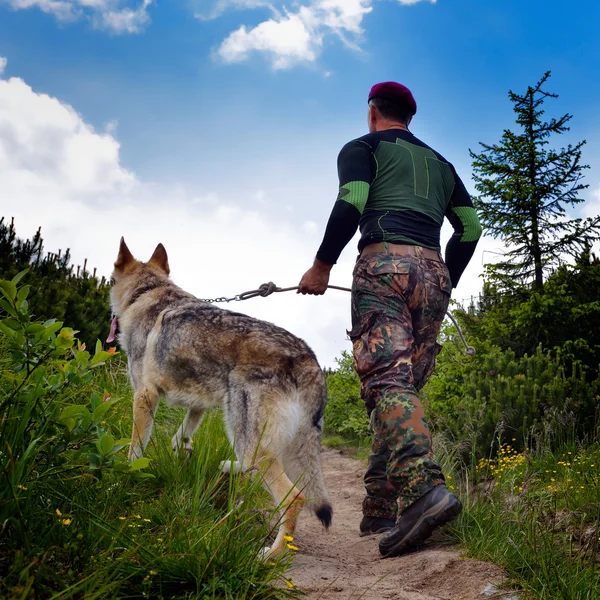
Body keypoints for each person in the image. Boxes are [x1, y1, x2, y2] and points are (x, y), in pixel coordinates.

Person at [298, 81, 482, 558]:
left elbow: (353, 200)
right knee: (401, 387)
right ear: (409, 116)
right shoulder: (443, 165)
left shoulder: (363, 147)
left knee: (387, 385)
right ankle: (380, 506)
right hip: (434, 274)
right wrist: (446, 279)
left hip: (382, 265)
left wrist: (321, 266)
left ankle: (424, 493)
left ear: (372, 112)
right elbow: (471, 228)